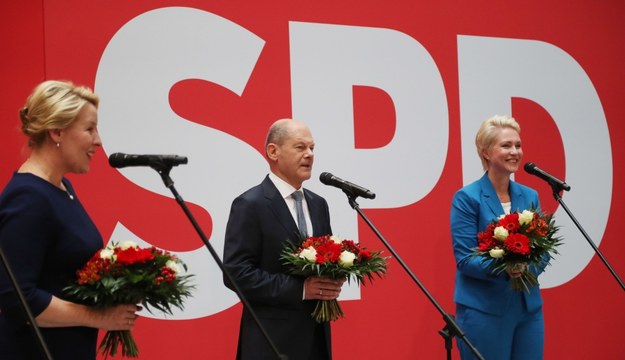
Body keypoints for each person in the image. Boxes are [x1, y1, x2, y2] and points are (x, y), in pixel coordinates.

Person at [0, 80, 140, 359]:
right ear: (56, 131)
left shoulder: (61, 189)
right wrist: (98, 316)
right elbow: (17, 299)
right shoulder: (28, 198)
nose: (98, 140)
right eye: (89, 129)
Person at [223, 119, 345, 360]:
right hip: (270, 343)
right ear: (273, 151)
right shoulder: (250, 204)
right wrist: (301, 289)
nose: (310, 154)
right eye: (300, 147)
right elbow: (235, 274)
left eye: (312, 148)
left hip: (316, 341)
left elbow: (325, 259)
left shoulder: (318, 204)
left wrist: (333, 278)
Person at [450, 115, 547, 360]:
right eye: (506, 146)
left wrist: (526, 266)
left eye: (517, 145)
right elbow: (465, 259)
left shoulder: (530, 195)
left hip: (527, 309)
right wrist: (506, 268)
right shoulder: (467, 198)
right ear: (485, 153)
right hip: (484, 310)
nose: (515, 151)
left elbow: (543, 249)